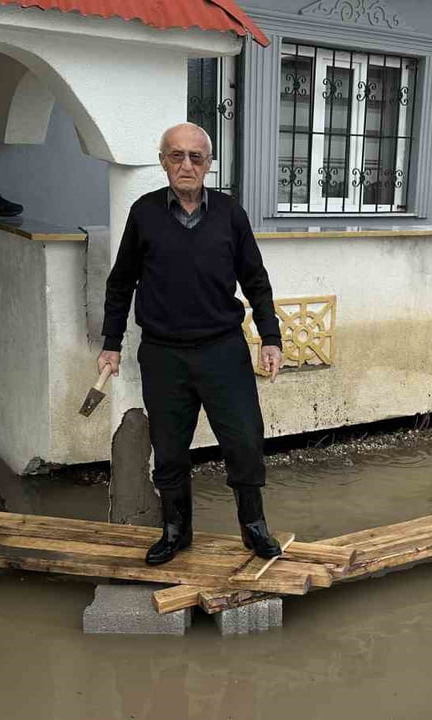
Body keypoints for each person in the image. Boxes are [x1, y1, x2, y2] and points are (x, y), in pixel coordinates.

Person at [97, 122, 284, 566]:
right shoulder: (144, 213)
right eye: (176, 156)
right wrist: (111, 342)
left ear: (209, 165)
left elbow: (255, 280)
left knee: (243, 440)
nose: (186, 165)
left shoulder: (229, 213)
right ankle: (176, 529)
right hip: (163, 354)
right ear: (163, 161)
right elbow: (120, 283)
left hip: (223, 349)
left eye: (196, 157)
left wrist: (270, 336)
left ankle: (253, 526)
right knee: (169, 447)